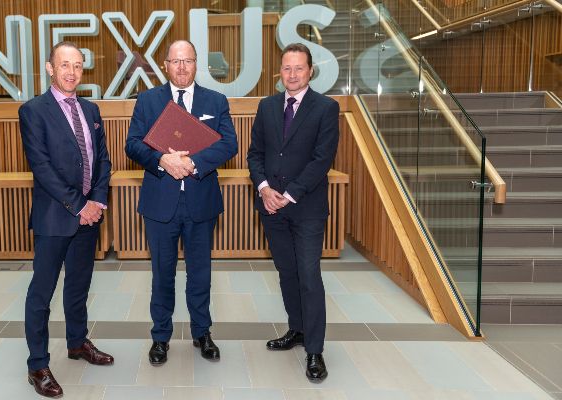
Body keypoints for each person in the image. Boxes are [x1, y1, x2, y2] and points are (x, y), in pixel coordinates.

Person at [125, 40, 238, 366]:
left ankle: (202, 332)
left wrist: (194, 164)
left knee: (200, 273)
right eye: (176, 61)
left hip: (201, 201)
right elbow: (132, 144)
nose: (182, 67)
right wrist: (162, 160)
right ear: (165, 64)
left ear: (196, 64)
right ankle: (160, 337)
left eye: (188, 61)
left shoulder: (214, 101)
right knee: (162, 274)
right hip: (160, 203)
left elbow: (229, 143)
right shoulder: (147, 101)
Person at [18, 41, 113, 398]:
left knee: (78, 287)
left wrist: (98, 201)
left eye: (77, 66)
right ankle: (38, 364)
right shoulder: (33, 111)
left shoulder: (91, 109)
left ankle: (77, 343)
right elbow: (41, 167)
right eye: (64, 65)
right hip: (55, 217)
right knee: (41, 294)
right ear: (49, 68)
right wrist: (80, 205)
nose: (71, 72)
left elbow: (102, 160)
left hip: (90, 216)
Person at [246, 43, 339, 383]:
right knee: (286, 272)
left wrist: (288, 194)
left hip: (307, 209)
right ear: (280, 71)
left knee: (309, 276)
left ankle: (315, 350)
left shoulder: (326, 108)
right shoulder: (267, 106)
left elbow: (321, 161)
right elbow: (255, 154)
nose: (293, 74)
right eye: (287, 68)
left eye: (299, 68)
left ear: (310, 70)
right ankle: (297, 329)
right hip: (271, 207)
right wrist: (264, 188)